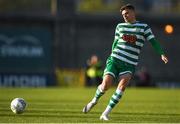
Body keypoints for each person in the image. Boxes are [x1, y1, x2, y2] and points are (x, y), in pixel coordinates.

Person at [82, 4, 168, 121]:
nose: (125, 16)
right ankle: (94, 101)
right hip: (115, 59)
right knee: (105, 85)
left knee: (121, 87)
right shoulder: (120, 26)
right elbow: (115, 42)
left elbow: (153, 42)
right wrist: (111, 54)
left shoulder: (144, 27)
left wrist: (161, 54)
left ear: (133, 12)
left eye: (126, 13)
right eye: (123, 14)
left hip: (129, 63)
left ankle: (105, 113)